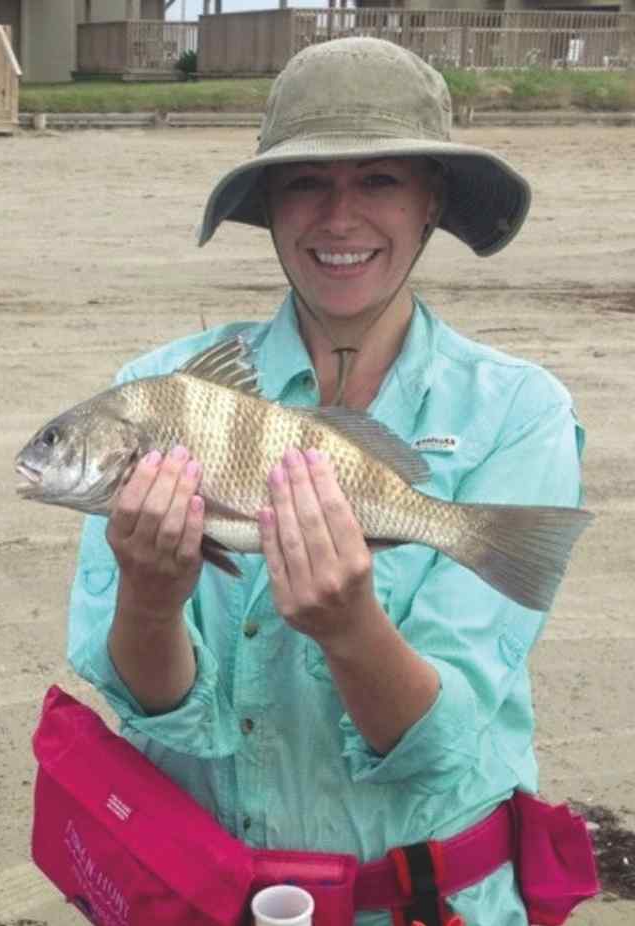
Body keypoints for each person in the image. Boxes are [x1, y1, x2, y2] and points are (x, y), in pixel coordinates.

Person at [67, 38, 588, 926]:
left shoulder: (519, 411)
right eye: (306, 181)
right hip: (203, 897)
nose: (340, 217)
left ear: (432, 204)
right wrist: (151, 604)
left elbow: (439, 746)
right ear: (269, 205)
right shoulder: (160, 385)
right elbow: (155, 716)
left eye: (380, 179)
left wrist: (351, 631)